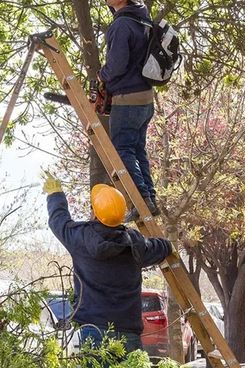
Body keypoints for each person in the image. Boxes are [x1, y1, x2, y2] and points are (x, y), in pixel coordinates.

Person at [43, 173, 171, 368]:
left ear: (94, 213)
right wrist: (164, 243)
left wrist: (55, 194)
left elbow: (59, 221)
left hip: (92, 329)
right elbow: (161, 248)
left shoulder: (80, 238)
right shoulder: (135, 244)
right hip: (127, 331)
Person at [99, 0, 158, 220]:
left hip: (127, 99)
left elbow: (117, 65)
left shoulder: (122, 24)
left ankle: (142, 200)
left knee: (123, 150)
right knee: (138, 150)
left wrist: (102, 75)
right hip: (145, 99)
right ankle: (150, 199)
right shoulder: (142, 17)